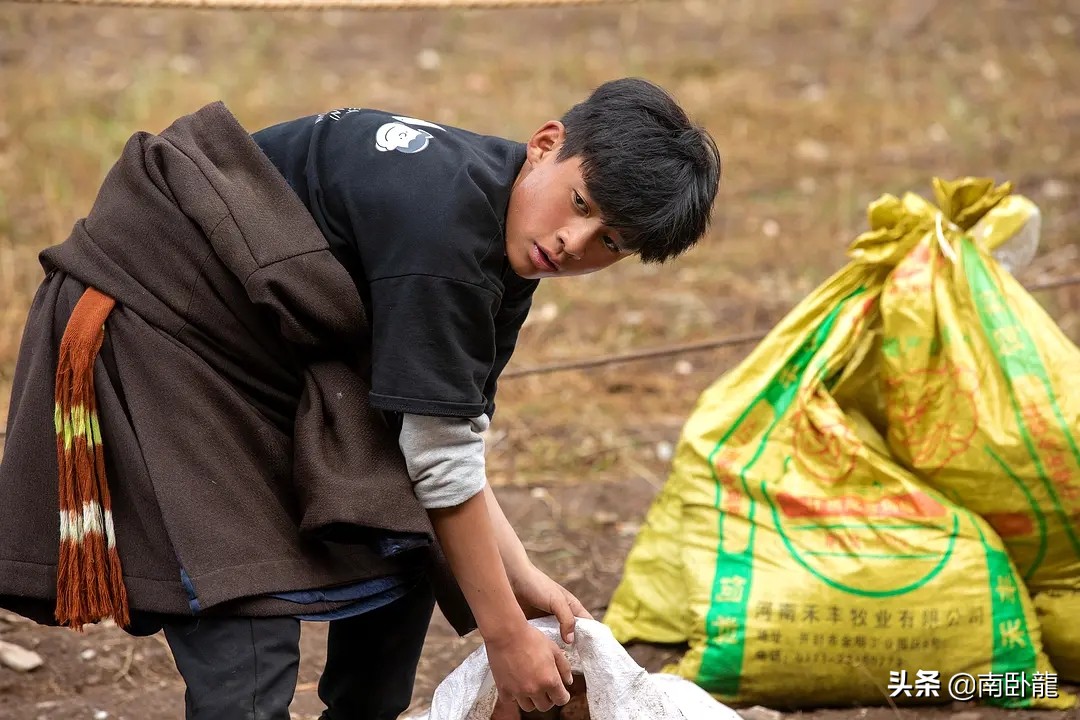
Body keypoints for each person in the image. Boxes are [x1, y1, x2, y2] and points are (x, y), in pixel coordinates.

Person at [0, 77, 720, 719]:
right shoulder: (445, 227)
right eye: (581, 204)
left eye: (611, 244)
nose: (574, 242)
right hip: (161, 325)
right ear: (545, 145)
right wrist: (503, 635)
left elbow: (447, 435)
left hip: (273, 355)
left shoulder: (506, 240)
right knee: (249, 639)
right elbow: (439, 461)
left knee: (400, 540)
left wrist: (519, 573)